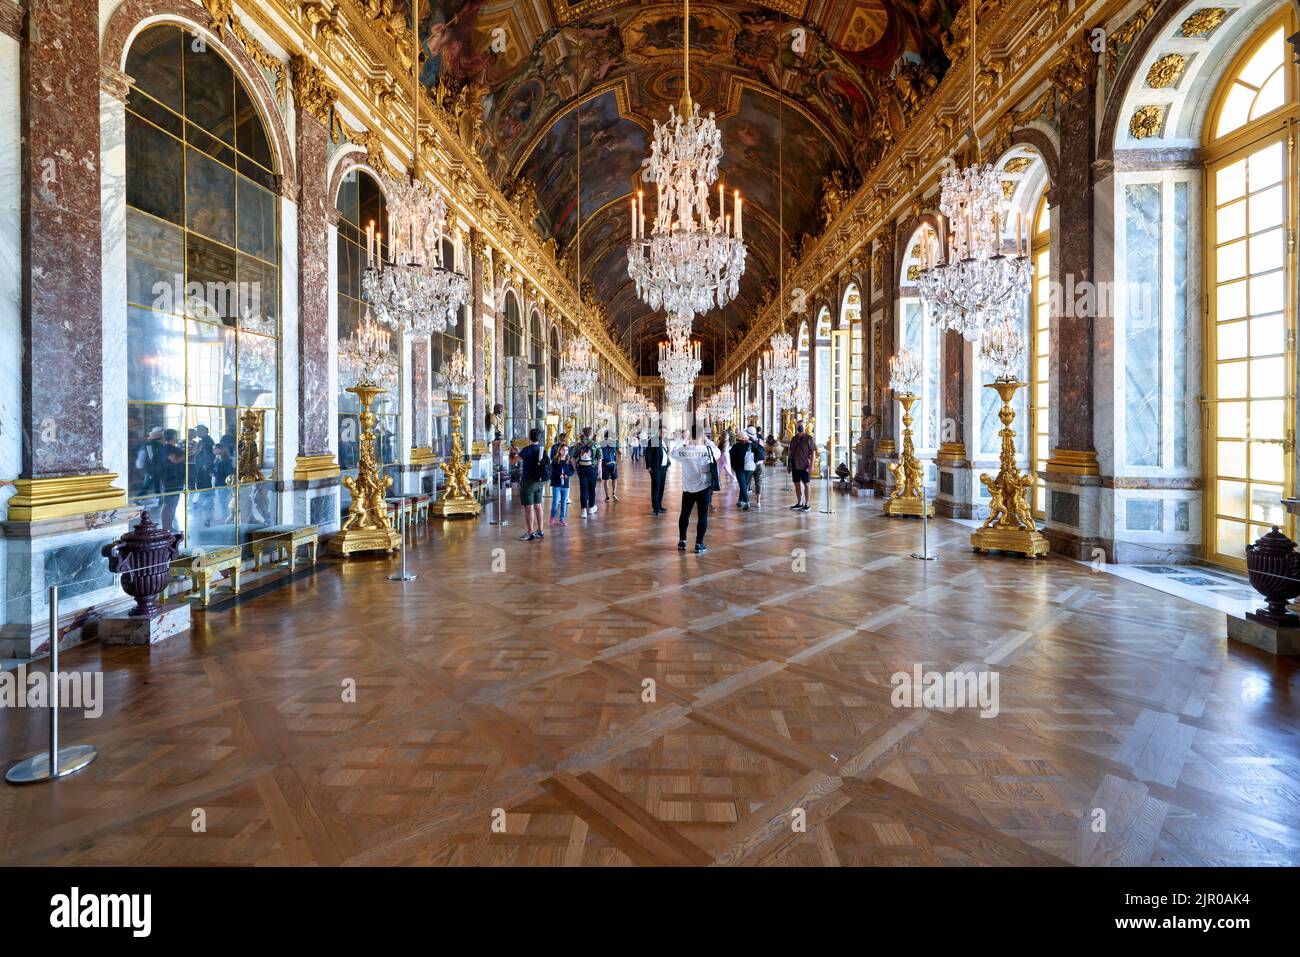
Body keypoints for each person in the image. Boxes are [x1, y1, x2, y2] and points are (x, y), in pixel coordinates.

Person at [672, 424, 721, 554]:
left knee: (685, 514)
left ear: (690, 436)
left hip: (688, 488)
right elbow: (718, 452)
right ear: (702, 435)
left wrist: (683, 439)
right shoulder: (708, 450)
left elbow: (673, 452)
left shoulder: (685, 450)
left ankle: (682, 541)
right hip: (704, 488)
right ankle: (699, 543)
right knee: (702, 515)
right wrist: (707, 440)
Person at [516, 428, 549, 540]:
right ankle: (540, 530)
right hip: (539, 482)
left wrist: (513, 453)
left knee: (529, 508)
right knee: (538, 506)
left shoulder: (526, 450)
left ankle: (530, 532)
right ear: (539, 438)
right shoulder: (542, 449)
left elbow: (512, 461)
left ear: (529, 437)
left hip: (528, 482)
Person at [788, 420, 816, 512]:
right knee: (796, 484)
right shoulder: (794, 439)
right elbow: (790, 453)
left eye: (801, 425)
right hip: (795, 465)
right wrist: (789, 465)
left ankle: (807, 504)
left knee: (806, 484)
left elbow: (813, 453)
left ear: (805, 426)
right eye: (798, 425)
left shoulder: (809, 438)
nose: (800, 427)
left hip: (805, 465)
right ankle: (799, 503)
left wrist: (811, 465)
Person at [728, 427, 758, 511]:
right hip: (749, 468)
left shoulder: (735, 446)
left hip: (739, 468)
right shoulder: (751, 445)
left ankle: (747, 502)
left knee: (742, 484)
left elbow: (731, 458)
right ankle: (740, 500)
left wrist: (733, 468)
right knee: (744, 484)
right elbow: (757, 454)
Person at [573, 427, 600, 519]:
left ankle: (583, 510)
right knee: (592, 489)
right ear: (591, 433)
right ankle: (591, 507)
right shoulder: (595, 444)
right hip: (592, 469)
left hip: (582, 468)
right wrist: (599, 469)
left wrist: (576, 468)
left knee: (583, 489)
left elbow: (573, 458)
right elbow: (600, 458)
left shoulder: (578, 444)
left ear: (583, 433)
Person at [644, 424, 671, 515]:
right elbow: (649, 453)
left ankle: (659, 505)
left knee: (661, 487)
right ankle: (655, 507)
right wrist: (649, 466)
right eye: (662, 432)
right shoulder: (654, 440)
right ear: (658, 432)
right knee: (656, 487)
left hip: (663, 468)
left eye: (665, 432)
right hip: (656, 468)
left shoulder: (663, 441)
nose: (663, 434)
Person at [549, 443, 575, 526]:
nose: (565, 451)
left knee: (564, 503)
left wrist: (567, 475)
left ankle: (562, 519)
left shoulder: (568, 460)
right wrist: (558, 475)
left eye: (567, 450)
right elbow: (551, 471)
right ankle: (552, 517)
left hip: (565, 485)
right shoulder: (555, 460)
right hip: (556, 484)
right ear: (560, 450)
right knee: (556, 502)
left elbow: (572, 470)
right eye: (563, 450)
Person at [746, 426, 765, 510]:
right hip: (760, 464)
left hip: (750, 464)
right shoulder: (760, 440)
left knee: (746, 481)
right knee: (758, 482)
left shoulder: (747, 442)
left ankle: (746, 501)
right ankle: (758, 502)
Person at [600, 430, 620, 502]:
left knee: (606, 480)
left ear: (605, 436)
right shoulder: (614, 443)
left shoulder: (601, 443)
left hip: (605, 464)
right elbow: (619, 452)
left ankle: (607, 497)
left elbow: (599, 454)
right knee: (614, 479)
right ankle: (614, 493)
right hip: (613, 463)